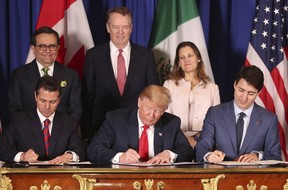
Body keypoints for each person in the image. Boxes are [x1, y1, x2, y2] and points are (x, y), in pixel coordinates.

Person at [86, 85, 194, 190]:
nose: (151, 115)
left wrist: (169, 154)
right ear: (139, 102)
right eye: (148, 108)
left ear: (164, 110)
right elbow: (93, 149)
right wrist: (119, 157)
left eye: (158, 111)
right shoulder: (115, 119)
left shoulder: (171, 122)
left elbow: (186, 150)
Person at [188, 65, 281, 190]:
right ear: (234, 85)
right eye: (241, 90)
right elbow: (202, 146)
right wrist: (208, 155)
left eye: (250, 93)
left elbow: (275, 156)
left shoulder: (269, 120)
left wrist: (258, 157)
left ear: (259, 92)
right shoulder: (215, 113)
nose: (244, 97)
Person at [82, 6, 159, 139]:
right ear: (108, 27)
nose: (120, 32)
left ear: (131, 28)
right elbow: (86, 98)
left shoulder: (146, 56)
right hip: (101, 131)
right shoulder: (93, 56)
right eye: (115, 27)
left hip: (137, 131)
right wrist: (88, 133)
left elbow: (154, 95)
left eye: (125, 27)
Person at [0, 75, 86, 164]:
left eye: (52, 102)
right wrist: (22, 156)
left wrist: (70, 155)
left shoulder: (69, 122)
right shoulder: (19, 121)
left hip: (59, 175)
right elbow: (2, 148)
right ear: (35, 96)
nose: (47, 107)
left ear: (59, 99)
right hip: (28, 176)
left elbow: (80, 149)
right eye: (43, 101)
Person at [8, 26, 82, 124]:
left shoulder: (71, 75)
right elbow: (15, 111)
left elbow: (76, 111)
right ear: (33, 48)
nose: (48, 50)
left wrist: (61, 133)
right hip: (28, 136)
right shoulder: (19, 75)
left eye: (52, 46)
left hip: (62, 135)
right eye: (42, 46)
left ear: (58, 48)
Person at [163, 41, 220, 148]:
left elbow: (215, 121)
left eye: (190, 55)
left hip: (204, 141)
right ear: (178, 63)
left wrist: (196, 138)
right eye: (182, 57)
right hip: (175, 140)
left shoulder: (213, 88)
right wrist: (182, 139)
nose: (186, 60)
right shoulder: (169, 85)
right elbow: (165, 117)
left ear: (198, 58)